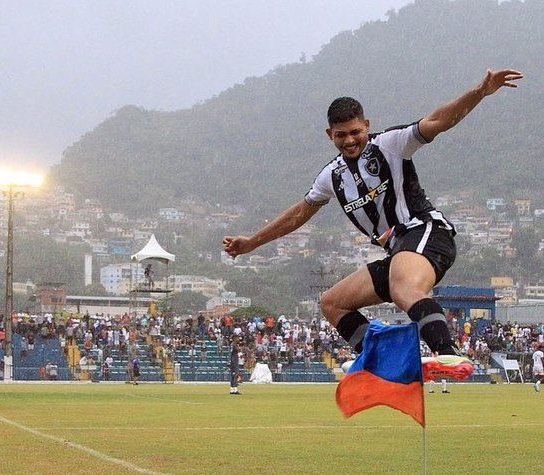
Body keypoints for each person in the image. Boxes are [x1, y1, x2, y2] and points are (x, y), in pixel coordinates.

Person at [223, 69, 523, 379]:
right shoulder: (332, 176)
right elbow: (299, 214)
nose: (350, 140)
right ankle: (387, 360)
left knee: (403, 285)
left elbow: (439, 120)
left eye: (355, 131)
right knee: (333, 303)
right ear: (330, 135)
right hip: (398, 253)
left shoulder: (391, 144)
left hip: (426, 232)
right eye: (341, 135)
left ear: (366, 125)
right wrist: (252, 242)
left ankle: (448, 353)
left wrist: (479, 92)